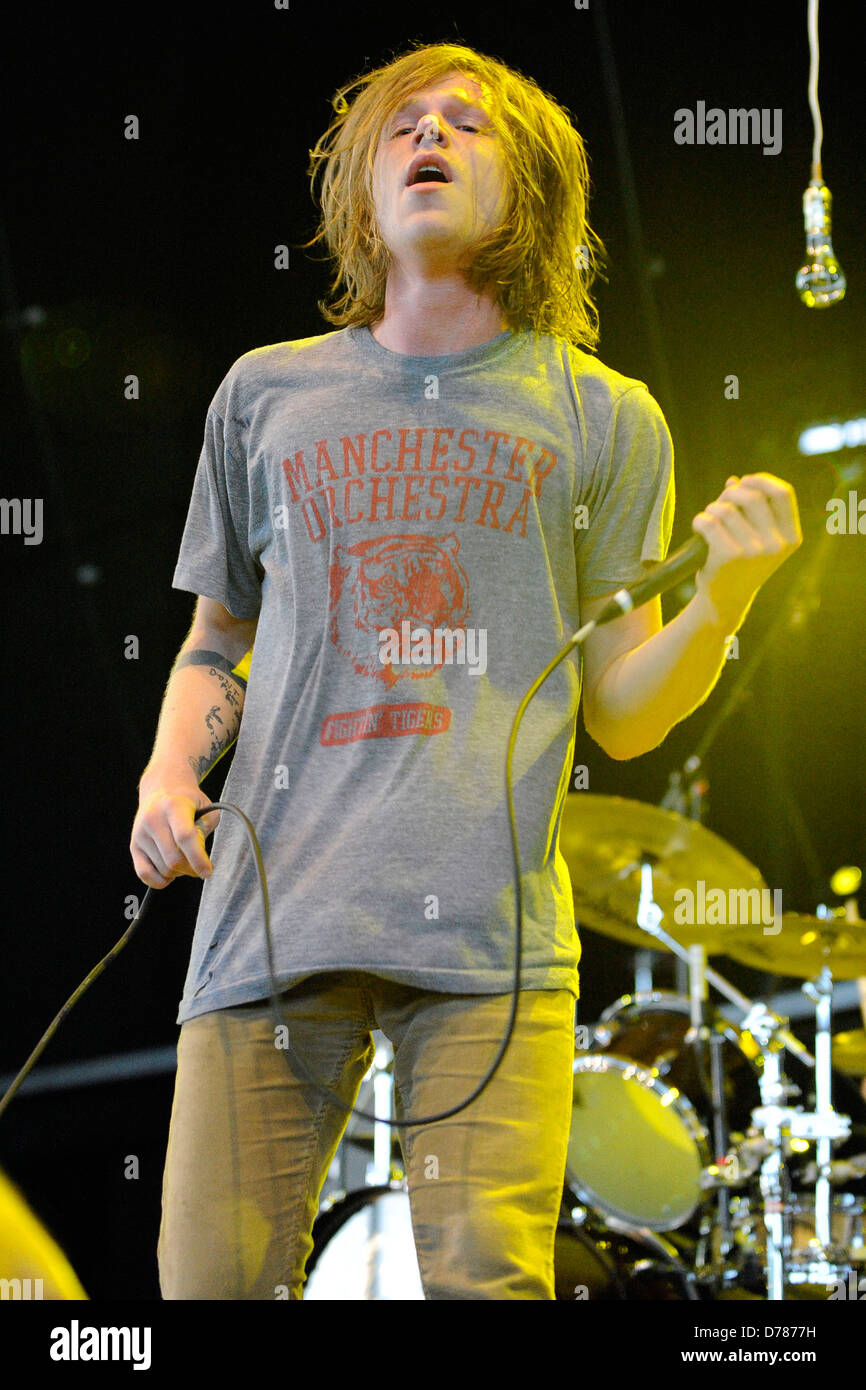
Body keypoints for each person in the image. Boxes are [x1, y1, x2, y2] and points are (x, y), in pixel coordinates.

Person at [129, 41, 802, 1300]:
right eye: (402, 125)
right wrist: (170, 772)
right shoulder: (263, 395)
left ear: (530, 191)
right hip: (270, 924)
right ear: (360, 184)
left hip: (488, 943)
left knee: (489, 1288)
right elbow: (216, 638)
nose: (429, 135)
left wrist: (723, 597)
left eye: (468, 125)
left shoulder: (602, 414)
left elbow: (622, 706)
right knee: (202, 1290)